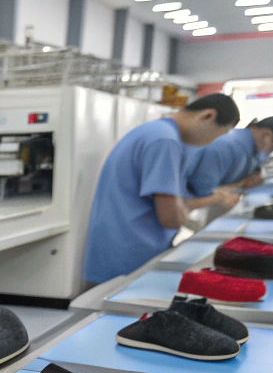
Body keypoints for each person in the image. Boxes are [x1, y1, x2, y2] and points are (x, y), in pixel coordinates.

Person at [81, 93, 242, 285]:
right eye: (219, 134)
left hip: (117, 248)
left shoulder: (154, 131)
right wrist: (186, 211)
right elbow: (171, 218)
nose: (212, 142)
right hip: (132, 256)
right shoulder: (166, 141)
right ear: (207, 116)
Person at [185, 115, 273, 197]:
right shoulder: (225, 147)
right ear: (267, 135)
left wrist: (255, 175)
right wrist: (237, 187)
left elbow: (258, 162)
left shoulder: (254, 147)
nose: (270, 152)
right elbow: (201, 190)